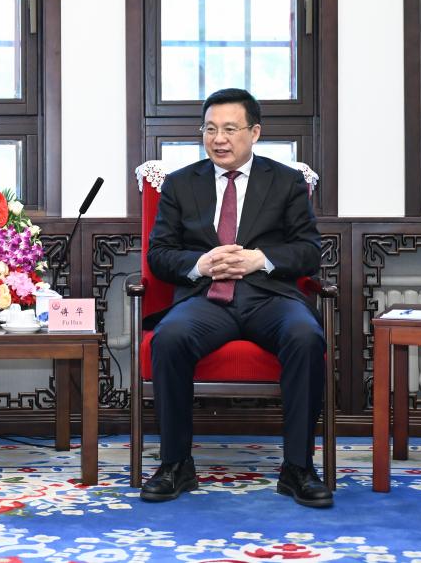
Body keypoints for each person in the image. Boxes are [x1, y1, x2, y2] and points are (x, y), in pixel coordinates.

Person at [141, 88, 331, 508]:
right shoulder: (180, 184)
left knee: (305, 337)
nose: (219, 139)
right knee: (169, 338)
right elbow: (159, 254)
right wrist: (200, 264)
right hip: (206, 299)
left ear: (254, 132)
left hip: (270, 298)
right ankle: (175, 464)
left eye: (229, 129)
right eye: (210, 129)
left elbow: (309, 251)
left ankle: (298, 468)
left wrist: (259, 259)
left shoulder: (286, 181)